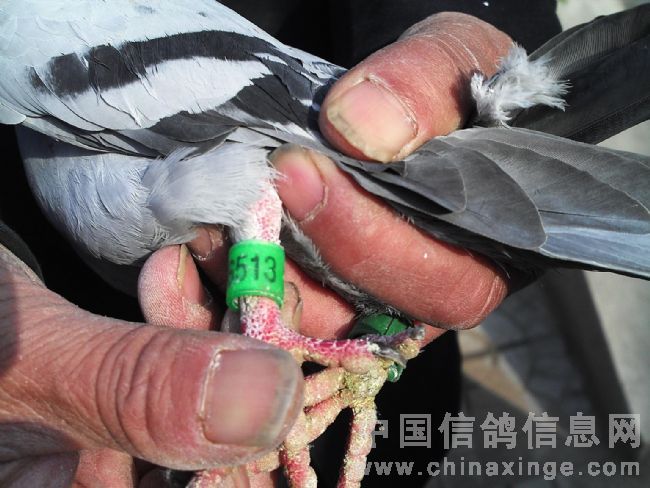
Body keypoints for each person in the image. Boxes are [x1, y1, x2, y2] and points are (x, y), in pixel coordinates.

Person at [0, 1, 562, 486]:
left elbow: (258, 184)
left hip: (328, 151)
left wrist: (461, 53)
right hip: (71, 360)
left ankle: (366, 349)